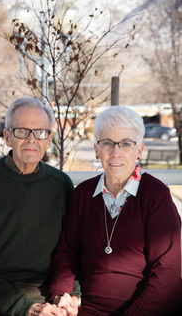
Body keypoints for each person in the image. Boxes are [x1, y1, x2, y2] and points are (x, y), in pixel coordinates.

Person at [48, 105, 182, 316]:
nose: (115, 152)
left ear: (139, 150)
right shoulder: (83, 194)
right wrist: (60, 294)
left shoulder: (156, 195)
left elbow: (167, 273)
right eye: (107, 143)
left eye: (126, 144)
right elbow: (67, 254)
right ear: (96, 149)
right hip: (90, 309)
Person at [0, 97, 79, 316]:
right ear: (7, 137)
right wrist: (23, 307)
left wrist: (70, 294)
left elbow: (71, 251)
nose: (31, 139)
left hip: (42, 291)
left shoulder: (61, 185)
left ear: (49, 140)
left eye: (39, 132)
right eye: (22, 131)